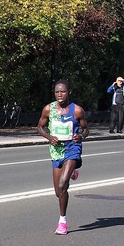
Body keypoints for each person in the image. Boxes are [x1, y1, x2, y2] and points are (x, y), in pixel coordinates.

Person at [37, 80, 89, 235]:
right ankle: (71, 171)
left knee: (62, 184)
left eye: (63, 92)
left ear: (69, 92)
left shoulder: (77, 111)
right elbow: (40, 127)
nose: (60, 95)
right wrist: (49, 137)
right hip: (56, 150)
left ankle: (62, 222)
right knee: (58, 192)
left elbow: (86, 130)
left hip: (72, 148)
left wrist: (80, 136)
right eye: (57, 92)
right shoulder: (49, 109)